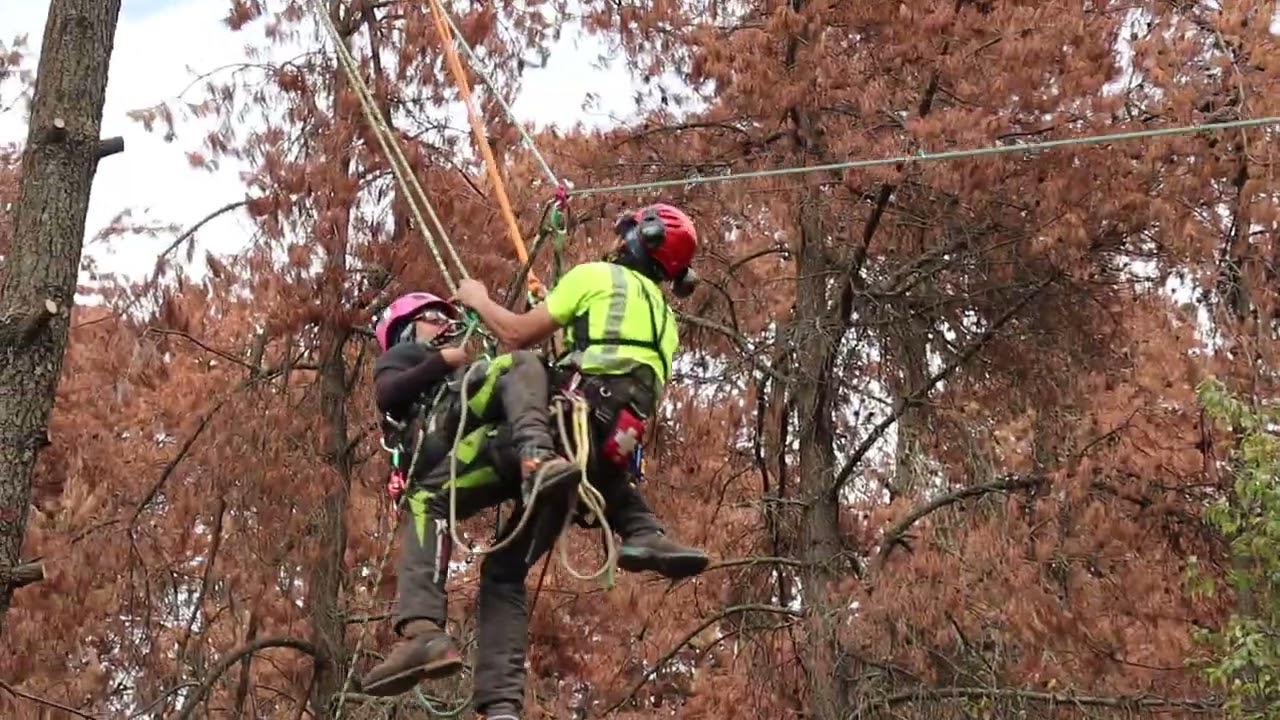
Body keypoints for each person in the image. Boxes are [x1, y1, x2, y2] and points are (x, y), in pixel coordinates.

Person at [360, 280, 708, 700]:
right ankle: (547, 465)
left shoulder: (470, 364)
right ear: (406, 330)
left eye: (449, 318)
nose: (446, 325)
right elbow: (387, 394)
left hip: (484, 443)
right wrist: (440, 363)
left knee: (508, 564)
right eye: (433, 319)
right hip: (437, 430)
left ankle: (498, 701)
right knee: (520, 363)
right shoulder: (406, 355)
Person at [451, 202, 710, 719]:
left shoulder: (594, 277)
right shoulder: (666, 320)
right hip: (609, 444)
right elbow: (613, 348)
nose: (617, 241)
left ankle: (533, 457)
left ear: (645, 238)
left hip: (567, 426)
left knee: (518, 366)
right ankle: (642, 531)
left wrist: (477, 299)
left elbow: (516, 334)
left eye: (627, 234)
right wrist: (567, 319)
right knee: (505, 569)